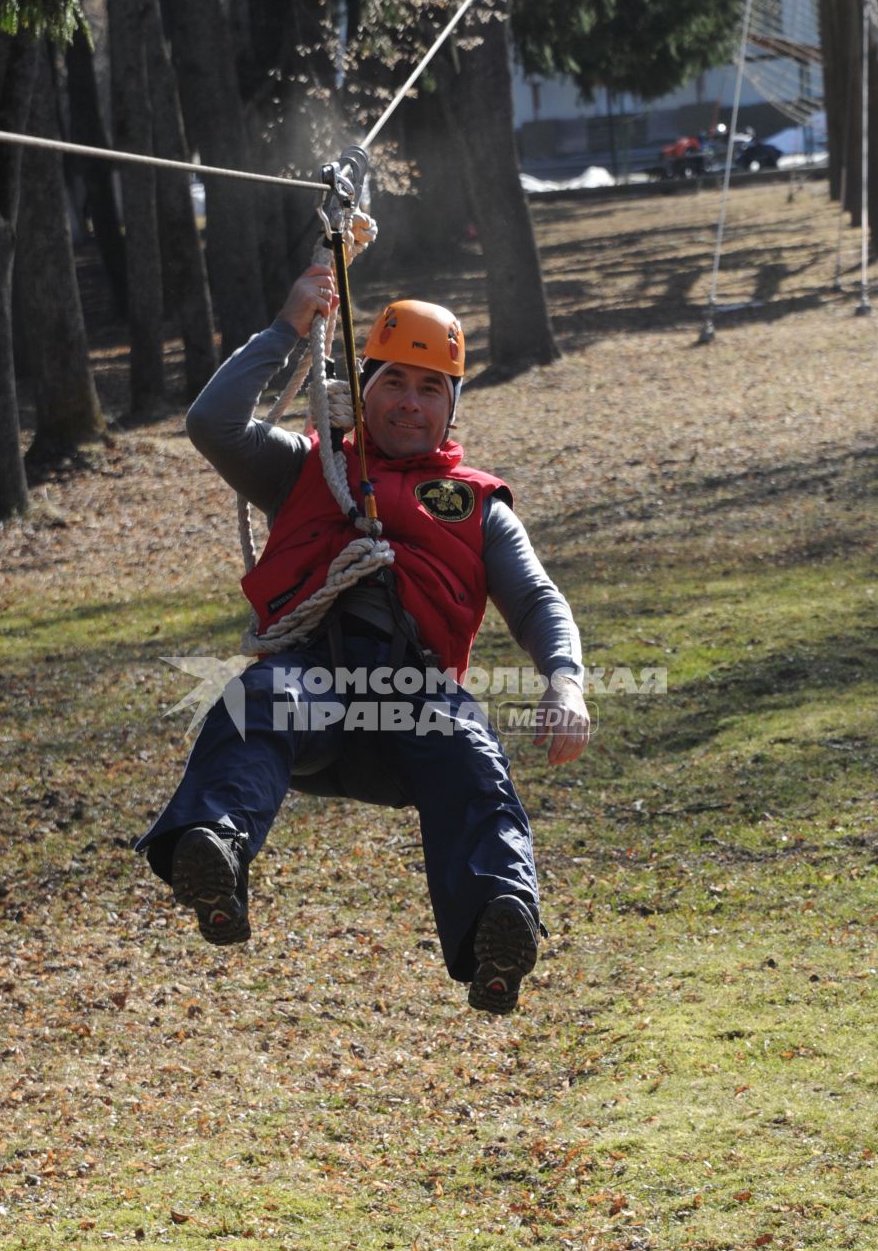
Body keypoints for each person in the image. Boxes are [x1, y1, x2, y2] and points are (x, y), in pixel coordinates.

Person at [136, 264, 591, 1015]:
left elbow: (537, 599)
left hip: (411, 700)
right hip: (312, 681)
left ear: (452, 405)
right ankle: (210, 852)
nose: (410, 403)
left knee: (469, 751)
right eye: (394, 382)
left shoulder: (478, 505)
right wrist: (287, 327)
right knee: (259, 698)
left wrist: (564, 680)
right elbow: (210, 425)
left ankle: (496, 931)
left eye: (430, 388)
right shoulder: (307, 467)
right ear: (362, 386)